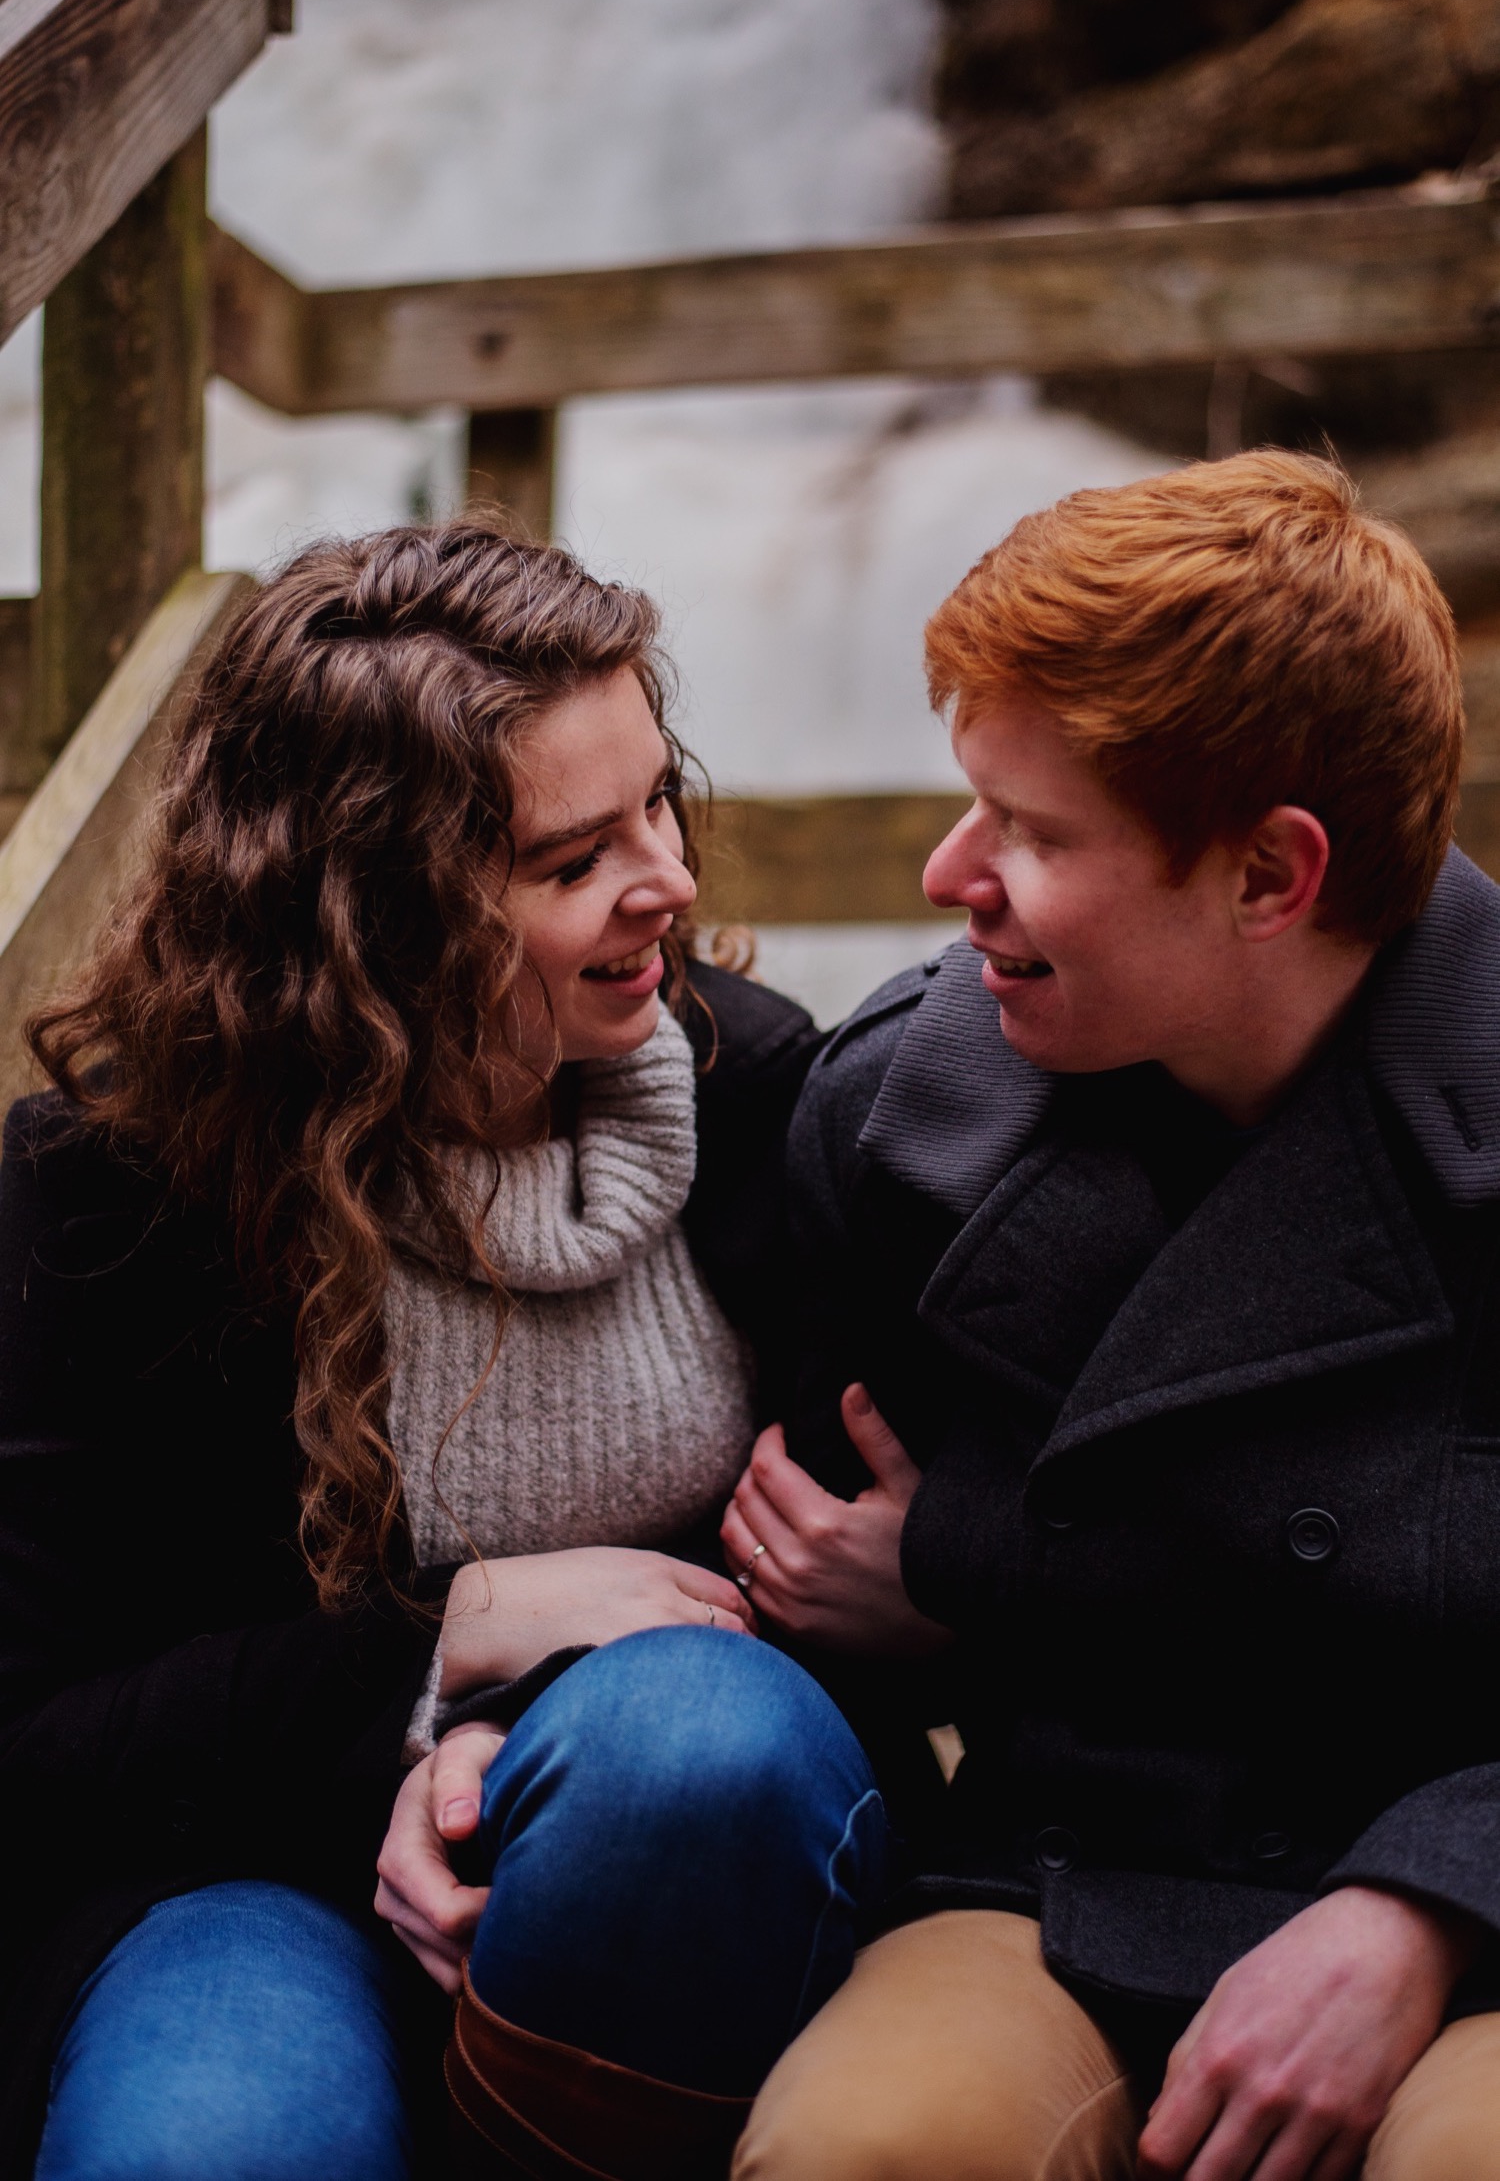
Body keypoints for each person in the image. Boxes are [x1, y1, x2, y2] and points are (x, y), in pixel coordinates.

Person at [0, 521, 892, 2181]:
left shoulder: (764, 1093)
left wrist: (912, 1582)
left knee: (698, 1738)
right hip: (250, 1871)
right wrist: (453, 1641)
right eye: (575, 861)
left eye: (659, 802)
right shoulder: (118, 1187)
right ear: (373, 920)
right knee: (205, 2152)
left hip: (677, 1860)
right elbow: (39, 1732)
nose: (672, 883)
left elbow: (860, 1590)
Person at [719, 452, 1500, 2180]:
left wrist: (1423, 1908)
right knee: (868, 2150)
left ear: (1270, 875)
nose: (944, 874)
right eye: (966, 800)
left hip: (1477, 1908)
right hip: (1059, 1879)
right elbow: (790, 1619)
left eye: (1034, 832)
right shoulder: (891, 1122)